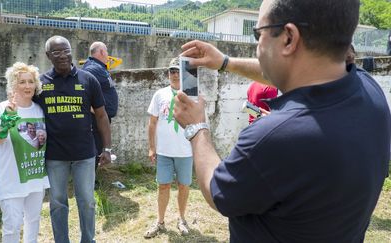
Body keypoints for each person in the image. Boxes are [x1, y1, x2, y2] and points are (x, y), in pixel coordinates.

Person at [174, 0, 390, 242]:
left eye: (259, 34)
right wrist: (226, 62)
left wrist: (196, 128)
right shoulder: (370, 92)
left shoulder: (273, 138)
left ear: (288, 38)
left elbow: (217, 192)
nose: (258, 45)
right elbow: (289, 72)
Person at [0, 36, 112, 243]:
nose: (62, 55)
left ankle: (88, 240)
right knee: (58, 203)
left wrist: (107, 148)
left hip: (85, 153)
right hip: (55, 155)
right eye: (56, 52)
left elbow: (101, 115)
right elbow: (19, 100)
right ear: (48, 55)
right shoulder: (41, 83)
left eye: (66, 50)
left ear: (71, 51)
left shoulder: (88, 79)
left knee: (87, 201)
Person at [0, 62, 50, 243]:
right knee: (12, 226)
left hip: (34, 175)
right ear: (13, 85)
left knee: (33, 221)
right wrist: (8, 119)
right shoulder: (0, 109)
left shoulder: (39, 110)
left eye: (31, 81)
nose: (27, 86)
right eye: (22, 82)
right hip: (10, 178)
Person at [144, 57, 193, 238]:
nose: (174, 74)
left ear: (183, 73)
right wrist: (151, 147)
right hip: (164, 151)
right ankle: (160, 222)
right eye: (171, 71)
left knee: (184, 186)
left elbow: (198, 122)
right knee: (163, 186)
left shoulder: (191, 95)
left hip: (185, 151)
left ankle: (181, 219)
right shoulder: (160, 95)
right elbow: (152, 122)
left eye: (177, 71)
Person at [82, 41, 119, 166]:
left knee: (98, 149)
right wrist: (96, 110)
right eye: (107, 51)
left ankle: (92, 180)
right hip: (96, 119)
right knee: (96, 150)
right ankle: (90, 182)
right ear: (102, 52)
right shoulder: (92, 68)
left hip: (101, 118)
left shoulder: (98, 68)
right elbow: (84, 92)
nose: (108, 55)